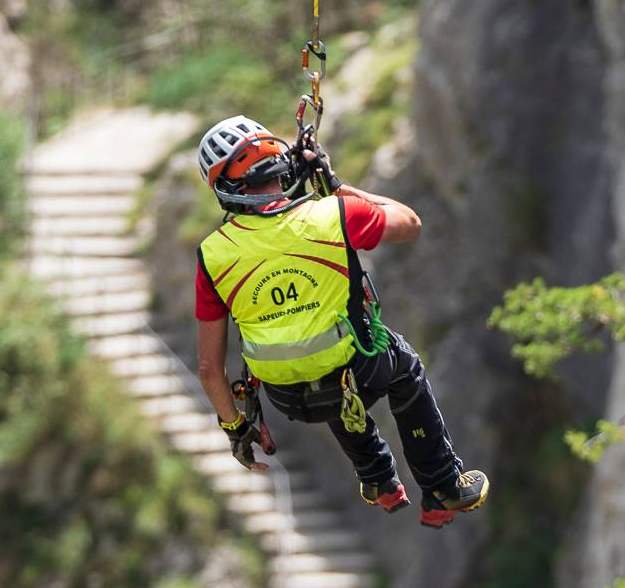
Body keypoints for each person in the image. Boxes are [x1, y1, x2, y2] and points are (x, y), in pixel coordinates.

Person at [193, 115, 489, 529]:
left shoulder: (213, 255)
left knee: (319, 354)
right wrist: (334, 184)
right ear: (282, 163)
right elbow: (410, 223)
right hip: (358, 374)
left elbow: (209, 368)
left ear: (225, 189)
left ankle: (378, 480)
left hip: (287, 399)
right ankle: (442, 487)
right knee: (398, 365)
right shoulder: (333, 214)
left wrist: (237, 429)